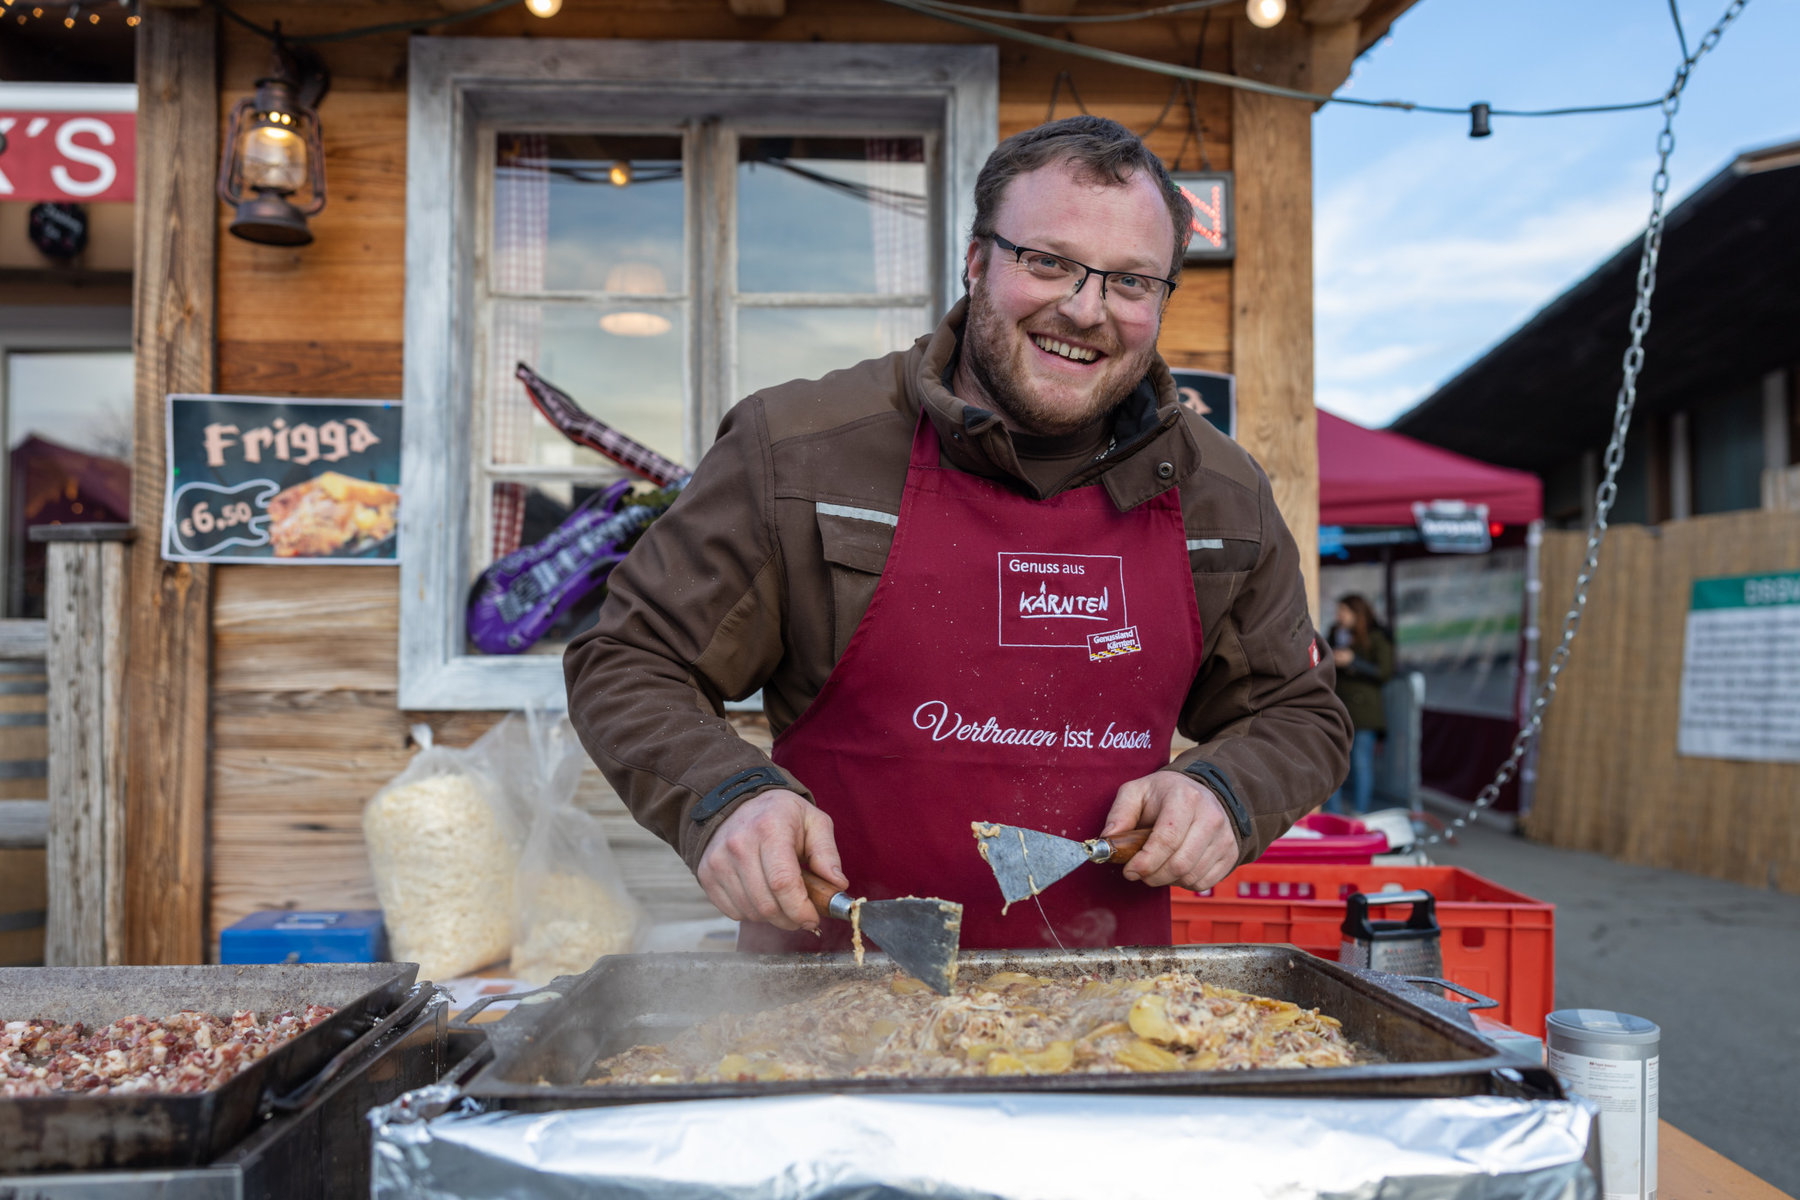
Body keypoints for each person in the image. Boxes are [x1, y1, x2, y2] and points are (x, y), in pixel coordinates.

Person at [565, 116, 1351, 953]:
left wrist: (1227, 793)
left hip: (1109, 1027)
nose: (1084, 310)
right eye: (1046, 262)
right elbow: (630, 657)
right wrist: (727, 795)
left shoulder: (1222, 497)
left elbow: (1301, 713)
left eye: (1131, 283)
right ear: (978, 261)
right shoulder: (797, 451)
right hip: (821, 1010)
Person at [1323, 593, 1393, 816]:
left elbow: (1385, 672)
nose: (1338, 616)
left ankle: (1360, 813)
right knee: (1332, 760)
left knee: (1361, 763)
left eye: (1343, 611)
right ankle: (1332, 812)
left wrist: (1353, 662)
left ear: (1356, 614)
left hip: (1365, 711)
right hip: (1338, 707)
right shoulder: (1335, 632)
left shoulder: (1376, 635)